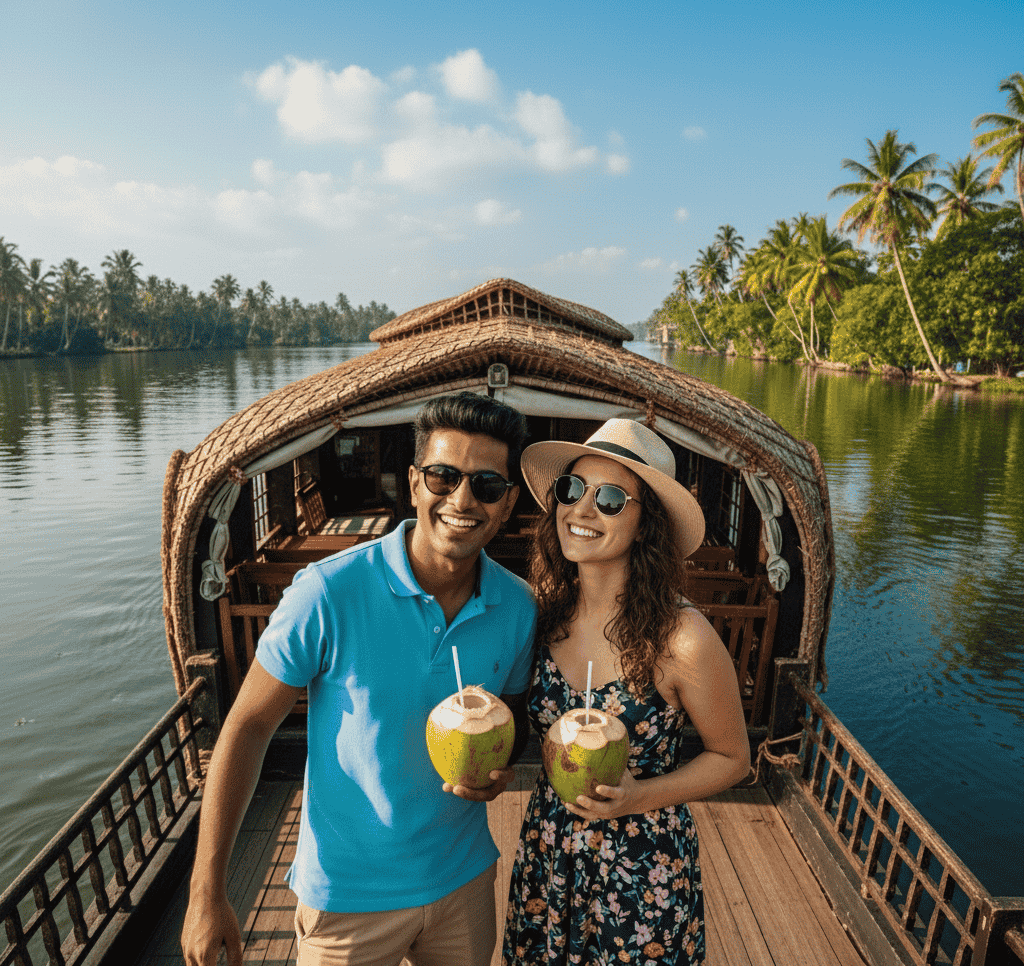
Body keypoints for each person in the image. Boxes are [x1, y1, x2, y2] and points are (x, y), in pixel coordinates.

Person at [181, 391, 536, 966]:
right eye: (444, 477)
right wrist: (206, 893)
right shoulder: (328, 593)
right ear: (415, 483)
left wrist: (501, 768)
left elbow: (514, 713)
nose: (463, 499)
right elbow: (246, 727)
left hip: (463, 880)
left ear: (508, 502)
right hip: (347, 896)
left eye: (487, 486)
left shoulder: (516, 607)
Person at [503, 418, 751, 965]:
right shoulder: (544, 613)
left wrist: (640, 796)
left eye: (611, 499)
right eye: (572, 489)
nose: (583, 510)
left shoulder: (681, 637)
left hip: (642, 863)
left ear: (645, 526)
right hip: (552, 847)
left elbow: (733, 757)